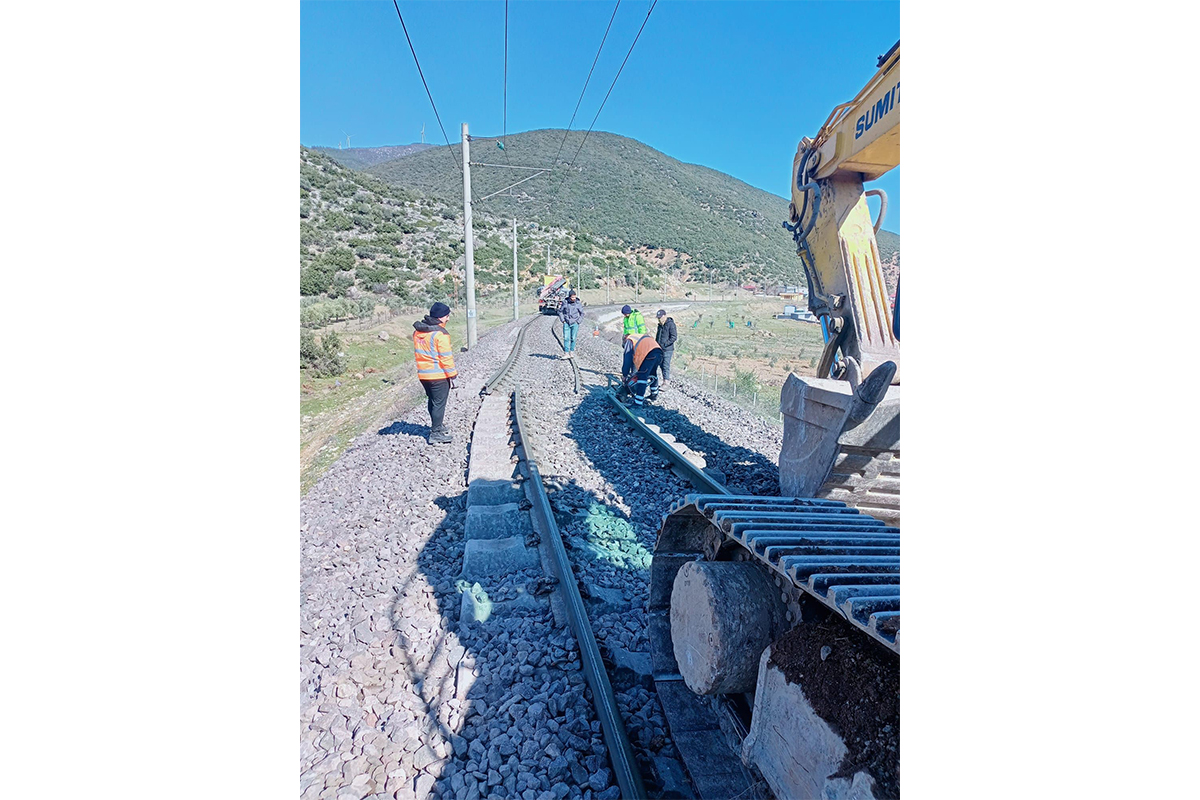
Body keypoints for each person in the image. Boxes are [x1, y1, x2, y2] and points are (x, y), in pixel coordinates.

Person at [412, 301, 458, 444]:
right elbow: (445, 357)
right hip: (438, 375)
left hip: (423, 375)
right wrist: (453, 374)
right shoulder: (440, 334)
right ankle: (435, 433)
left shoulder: (418, 332)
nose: (448, 319)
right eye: (446, 316)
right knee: (439, 403)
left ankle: (437, 425)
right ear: (440, 317)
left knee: (433, 401)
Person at [621, 333, 663, 406]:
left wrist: (625, 374)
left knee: (642, 377)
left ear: (624, 339)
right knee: (652, 373)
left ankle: (638, 402)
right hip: (659, 352)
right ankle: (654, 394)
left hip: (650, 353)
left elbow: (627, 358)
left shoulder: (629, 340)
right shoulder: (638, 337)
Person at [558, 289, 584, 359]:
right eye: (572, 297)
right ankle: (566, 353)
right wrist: (563, 320)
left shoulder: (578, 303)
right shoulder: (565, 303)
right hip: (566, 323)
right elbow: (560, 311)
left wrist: (578, 321)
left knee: (573, 338)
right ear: (569, 297)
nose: (574, 299)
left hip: (575, 323)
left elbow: (582, 313)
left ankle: (571, 352)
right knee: (566, 338)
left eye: (574, 297)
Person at [655, 309, 677, 386]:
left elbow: (674, 337)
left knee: (665, 365)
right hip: (659, 348)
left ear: (664, 316)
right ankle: (662, 380)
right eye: (658, 318)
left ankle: (666, 382)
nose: (659, 319)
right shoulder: (660, 326)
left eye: (660, 317)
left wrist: (665, 344)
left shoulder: (670, 324)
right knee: (660, 364)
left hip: (667, 349)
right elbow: (658, 336)